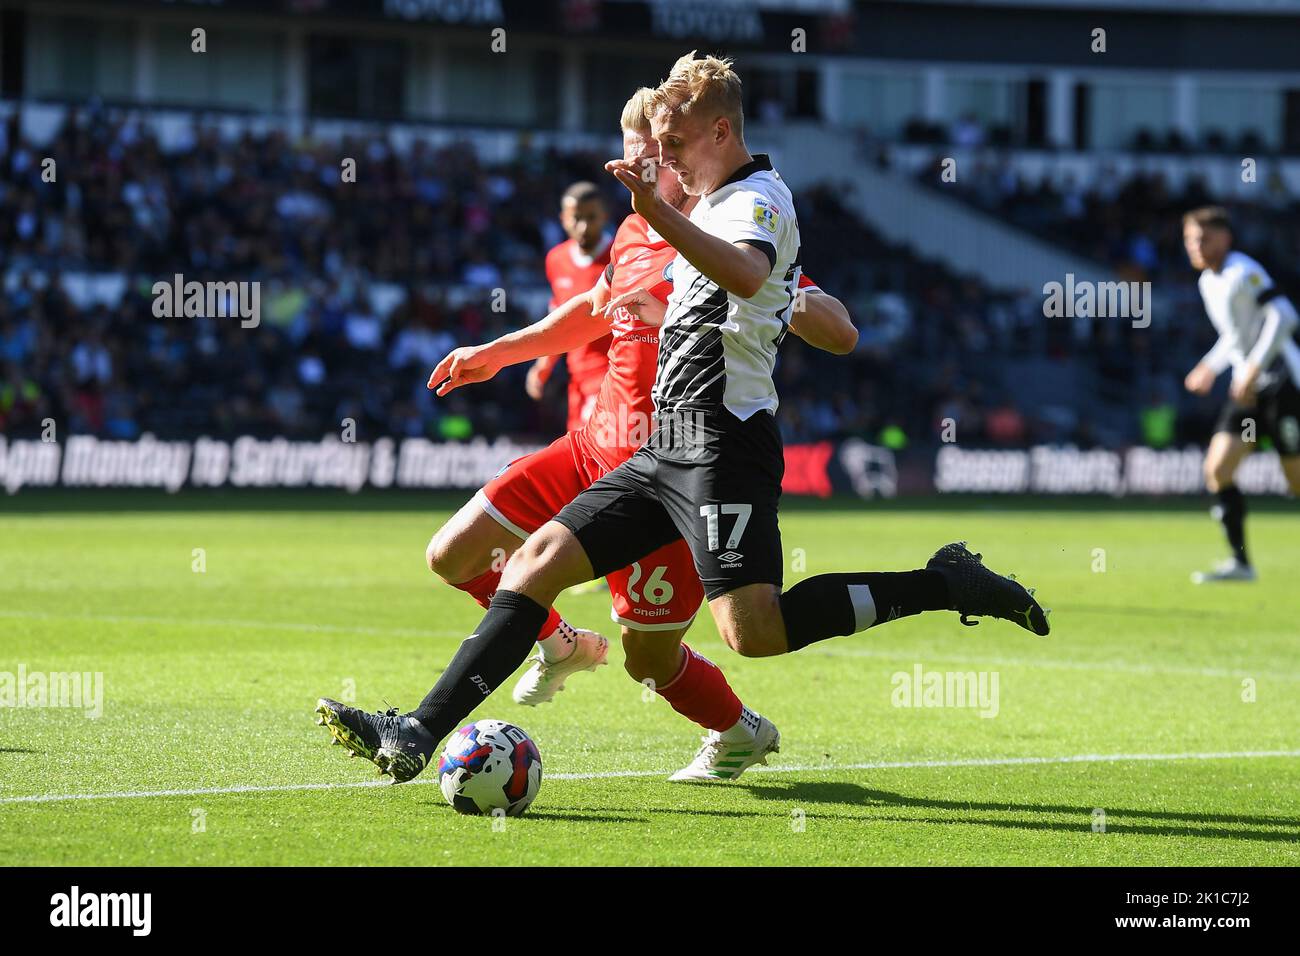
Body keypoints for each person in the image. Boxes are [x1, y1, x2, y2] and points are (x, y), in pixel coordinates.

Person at [317, 54, 1046, 785]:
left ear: (719, 131)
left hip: (727, 448)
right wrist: (510, 350)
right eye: (654, 142)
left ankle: (943, 584)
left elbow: (754, 275)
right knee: (537, 563)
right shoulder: (688, 214)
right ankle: (416, 729)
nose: (659, 157)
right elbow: (618, 302)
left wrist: (676, 224)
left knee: (751, 634)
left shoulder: (756, 199)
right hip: (664, 443)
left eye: (673, 143)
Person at [325, 86, 856, 782]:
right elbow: (594, 309)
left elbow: (831, 322)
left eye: (649, 147)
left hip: (665, 470)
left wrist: (787, 300)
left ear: (684, 153)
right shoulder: (638, 233)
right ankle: (541, 654)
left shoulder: (732, 226)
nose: (632, 158)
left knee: (649, 658)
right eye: (630, 141)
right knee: (454, 554)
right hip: (591, 446)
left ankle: (737, 730)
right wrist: (501, 352)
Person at [1181, 206, 1300, 582]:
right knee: (1218, 469)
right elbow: (1235, 335)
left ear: (1225, 238)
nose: (1197, 246)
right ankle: (1241, 562)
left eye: (1205, 238)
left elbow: (1284, 316)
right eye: (1190, 239)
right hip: (1247, 391)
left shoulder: (1241, 271)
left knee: (1296, 481)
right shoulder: (1208, 282)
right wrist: (1210, 366)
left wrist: (1252, 367)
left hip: (1282, 383)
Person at [525, 183, 612, 432]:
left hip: (613, 377)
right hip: (577, 380)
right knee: (582, 459)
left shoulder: (621, 256)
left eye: (591, 217)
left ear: (604, 216)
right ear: (563, 219)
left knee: (602, 455)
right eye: (576, 218)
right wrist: (543, 367)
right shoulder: (556, 259)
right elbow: (558, 317)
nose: (584, 226)